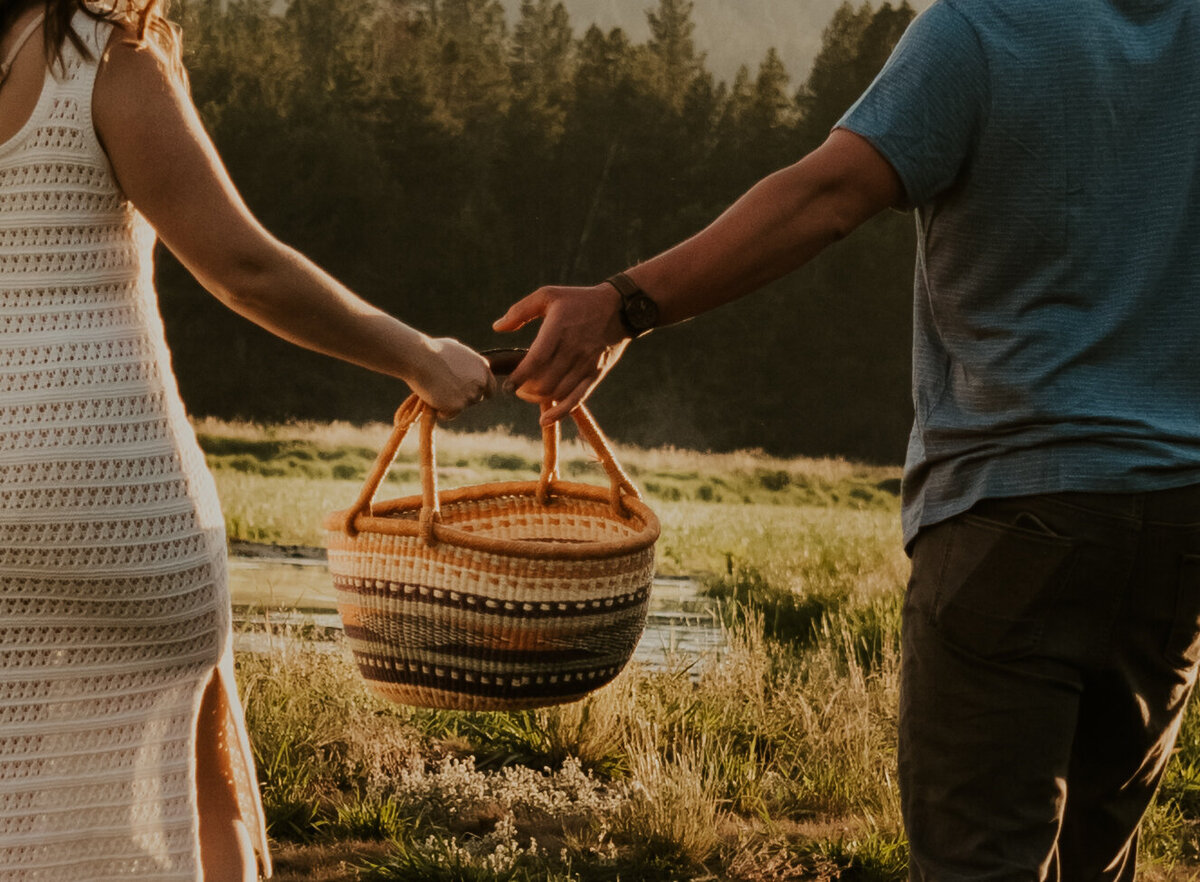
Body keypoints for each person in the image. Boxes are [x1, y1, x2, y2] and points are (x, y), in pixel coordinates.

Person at [495, 0, 1200, 877]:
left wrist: (625, 306)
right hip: (1178, 520)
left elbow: (826, 197)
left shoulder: (985, 26)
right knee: (1100, 858)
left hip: (1013, 512)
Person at [0, 0, 493, 878]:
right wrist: (418, 357)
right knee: (198, 765)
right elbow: (245, 271)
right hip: (112, 498)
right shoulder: (107, 60)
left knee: (24, 785)